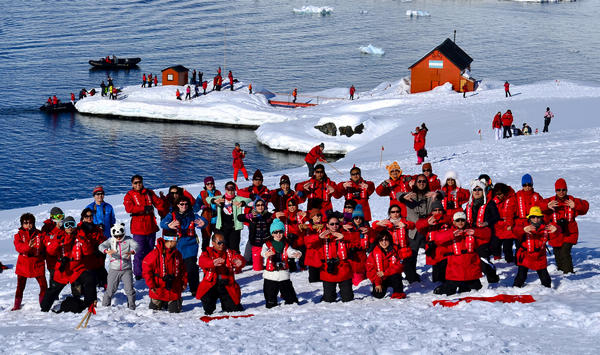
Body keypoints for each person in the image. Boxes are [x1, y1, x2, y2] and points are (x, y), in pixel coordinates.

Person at [41, 216, 97, 312]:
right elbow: (50, 251)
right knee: (53, 290)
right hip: (63, 270)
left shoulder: (80, 236)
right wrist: (57, 242)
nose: (70, 227)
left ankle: (89, 303)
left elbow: (88, 252)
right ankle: (44, 308)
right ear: (64, 227)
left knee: (89, 278)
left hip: (77, 269)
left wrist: (84, 241)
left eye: (72, 224)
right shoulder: (59, 236)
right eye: (67, 225)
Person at [160, 196, 207, 297]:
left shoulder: (192, 215)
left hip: (190, 245)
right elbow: (162, 223)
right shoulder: (172, 215)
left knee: (191, 267)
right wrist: (169, 225)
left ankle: (194, 288)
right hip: (177, 245)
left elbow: (203, 221)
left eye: (186, 204)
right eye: (181, 204)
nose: (184, 206)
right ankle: (175, 288)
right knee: (176, 267)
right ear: (177, 205)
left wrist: (203, 223)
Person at [395, 174, 438, 282]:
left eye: (424, 181)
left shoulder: (430, 195)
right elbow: (398, 194)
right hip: (414, 229)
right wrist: (402, 196)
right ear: (415, 183)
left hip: (427, 228)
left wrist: (437, 194)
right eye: (419, 181)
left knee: (435, 252)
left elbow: (442, 193)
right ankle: (411, 277)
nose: (421, 183)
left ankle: (438, 276)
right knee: (411, 255)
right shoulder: (411, 195)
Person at [541, 178, 589, 273]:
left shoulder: (571, 200)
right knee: (557, 253)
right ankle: (561, 271)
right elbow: (536, 205)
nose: (561, 192)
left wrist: (576, 206)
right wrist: (546, 206)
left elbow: (586, 206)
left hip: (570, 232)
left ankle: (569, 273)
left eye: (563, 190)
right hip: (555, 233)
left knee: (564, 252)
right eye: (558, 190)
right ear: (555, 190)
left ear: (567, 190)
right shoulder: (551, 201)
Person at [305, 213, 356, 303]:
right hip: (328, 271)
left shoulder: (343, 233)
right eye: (332, 224)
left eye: (336, 224)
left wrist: (344, 237)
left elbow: (357, 242)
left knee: (348, 299)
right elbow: (307, 243)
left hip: (343, 270)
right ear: (327, 225)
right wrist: (318, 237)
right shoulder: (322, 235)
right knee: (328, 300)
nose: (334, 226)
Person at [432, 212, 484, 296]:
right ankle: (441, 288)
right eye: (457, 220)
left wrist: (475, 232)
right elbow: (438, 238)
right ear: (453, 222)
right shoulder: (450, 232)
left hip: (470, 270)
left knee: (476, 291)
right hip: (455, 271)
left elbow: (487, 235)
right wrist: (451, 235)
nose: (460, 222)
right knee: (449, 292)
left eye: (462, 220)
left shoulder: (471, 231)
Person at [123, 174, 164, 280]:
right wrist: (143, 208)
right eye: (135, 183)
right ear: (132, 184)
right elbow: (129, 208)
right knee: (139, 252)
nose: (138, 184)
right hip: (138, 228)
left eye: (139, 182)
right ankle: (138, 273)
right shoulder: (129, 195)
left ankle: (150, 270)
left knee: (150, 251)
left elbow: (159, 204)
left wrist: (163, 199)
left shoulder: (149, 193)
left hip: (150, 227)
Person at [196, 232, 245, 315]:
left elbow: (239, 258)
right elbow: (201, 261)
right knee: (208, 308)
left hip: (226, 284)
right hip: (211, 284)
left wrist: (240, 262)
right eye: (219, 243)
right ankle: (209, 306)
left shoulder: (229, 252)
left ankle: (229, 304)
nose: (222, 245)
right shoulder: (207, 252)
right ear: (213, 243)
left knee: (233, 309)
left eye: (223, 242)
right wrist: (212, 262)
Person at [464, 179, 500, 283]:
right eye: (474, 189)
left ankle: (493, 279)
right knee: (472, 260)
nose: (477, 192)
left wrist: (487, 222)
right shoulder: (468, 205)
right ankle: (474, 283)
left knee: (483, 260)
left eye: (479, 189)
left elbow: (496, 217)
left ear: (483, 191)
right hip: (471, 236)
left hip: (485, 236)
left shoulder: (490, 204)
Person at [512, 207, 558, 288]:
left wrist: (557, 229)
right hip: (525, 256)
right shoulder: (524, 225)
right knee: (521, 277)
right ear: (529, 217)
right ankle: (515, 290)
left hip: (540, 257)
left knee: (545, 279)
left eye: (538, 217)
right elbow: (515, 230)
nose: (536, 219)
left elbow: (557, 234)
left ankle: (549, 294)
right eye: (533, 217)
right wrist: (523, 229)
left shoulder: (547, 227)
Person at [261, 219, 302, 308]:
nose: (278, 234)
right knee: (270, 296)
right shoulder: (267, 244)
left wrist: (295, 253)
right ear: (272, 233)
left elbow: (290, 251)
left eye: (280, 232)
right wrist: (266, 254)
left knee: (290, 297)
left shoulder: (286, 244)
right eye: (275, 232)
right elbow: (263, 252)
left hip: (283, 274)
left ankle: (290, 301)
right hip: (270, 275)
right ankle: (271, 303)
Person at [142, 235, 186, 313]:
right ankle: (161, 302)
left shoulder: (177, 254)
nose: (177, 243)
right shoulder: (155, 253)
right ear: (171, 241)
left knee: (174, 311)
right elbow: (146, 270)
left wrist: (184, 282)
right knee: (153, 310)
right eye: (176, 241)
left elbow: (183, 270)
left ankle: (173, 302)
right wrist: (151, 285)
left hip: (173, 290)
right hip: (158, 289)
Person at [99, 223, 138, 309]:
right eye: (116, 236)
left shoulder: (128, 240)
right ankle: (105, 307)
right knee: (110, 290)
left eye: (120, 236)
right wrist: (106, 251)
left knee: (129, 290)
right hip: (114, 269)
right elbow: (101, 246)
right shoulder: (111, 240)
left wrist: (132, 251)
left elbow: (136, 245)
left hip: (126, 269)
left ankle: (132, 307)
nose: (118, 238)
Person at [12, 213, 47, 311]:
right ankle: (16, 305)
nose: (28, 225)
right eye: (26, 223)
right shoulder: (18, 235)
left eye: (31, 222)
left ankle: (43, 304)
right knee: (20, 287)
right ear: (22, 224)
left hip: (37, 263)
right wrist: (28, 246)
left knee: (43, 286)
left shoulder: (40, 234)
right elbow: (18, 248)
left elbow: (46, 246)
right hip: (23, 264)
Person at [206, 181, 252, 253]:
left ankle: (233, 261)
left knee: (234, 248)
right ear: (225, 189)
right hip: (221, 227)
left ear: (234, 190)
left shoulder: (237, 199)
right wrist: (214, 201)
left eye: (232, 189)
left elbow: (249, 200)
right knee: (221, 246)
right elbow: (207, 199)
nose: (230, 191)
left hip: (234, 228)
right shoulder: (220, 198)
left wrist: (242, 203)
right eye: (228, 189)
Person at [416, 200, 453, 283]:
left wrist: (441, 220)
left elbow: (453, 221)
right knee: (436, 279)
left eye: (439, 210)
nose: (437, 212)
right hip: (433, 252)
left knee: (445, 275)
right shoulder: (428, 220)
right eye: (435, 210)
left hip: (445, 251)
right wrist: (427, 223)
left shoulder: (447, 219)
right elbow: (418, 226)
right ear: (431, 211)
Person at [366, 231, 406, 299]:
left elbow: (400, 265)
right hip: (380, 278)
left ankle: (398, 292)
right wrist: (377, 283)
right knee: (378, 295)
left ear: (390, 240)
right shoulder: (373, 253)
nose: (384, 242)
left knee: (396, 275)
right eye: (381, 240)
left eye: (386, 239)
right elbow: (370, 270)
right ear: (378, 241)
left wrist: (385, 273)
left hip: (391, 276)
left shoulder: (396, 250)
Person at [237, 197, 274, 271]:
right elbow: (239, 217)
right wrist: (248, 216)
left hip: (267, 244)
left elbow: (275, 216)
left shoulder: (268, 215)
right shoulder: (252, 215)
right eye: (258, 205)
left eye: (262, 205)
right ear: (255, 206)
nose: (260, 207)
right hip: (255, 243)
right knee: (257, 268)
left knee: (270, 267)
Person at [343, 205, 374, 285]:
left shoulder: (366, 229)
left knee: (360, 280)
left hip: (362, 258)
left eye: (360, 218)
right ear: (353, 218)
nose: (358, 220)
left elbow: (374, 236)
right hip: (351, 258)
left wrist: (369, 231)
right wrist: (341, 226)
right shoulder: (347, 228)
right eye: (356, 218)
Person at [79, 208, 108, 290]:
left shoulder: (96, 228)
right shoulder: (79, 229)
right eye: (86, 216)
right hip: (85, 262)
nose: (89, 218)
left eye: (91, 216)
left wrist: (100, 248)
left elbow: (102, 240)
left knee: (106, 280)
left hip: (97, 260)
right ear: (83, 218)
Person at [275, 197, 307, 271]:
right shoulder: (284, 214)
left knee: (302, 255)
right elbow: (275, 217)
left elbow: (311, 216)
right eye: (289, 205)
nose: (291, 207)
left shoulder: (300, 213)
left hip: (299, 240)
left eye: (293, 205)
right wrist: (275, 215)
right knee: (290, 263)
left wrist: (307, 215)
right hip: (288, 240)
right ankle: (290, 265)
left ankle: (302, 265)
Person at [193, 176, 222, 251]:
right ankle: (205, 255)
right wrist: (201, 206)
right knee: (206, 239)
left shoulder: (218, 192)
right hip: (206, 220)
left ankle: (218, 254)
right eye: (208, 184)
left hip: (217, 220)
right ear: (205, 185)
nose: (210, 185)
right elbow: (196, 207)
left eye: (211, 183)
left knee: (218, 239)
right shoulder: (202, 194)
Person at [40, 207, 65, 283]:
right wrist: (57, 229)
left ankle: (77, 293)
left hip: (63, 255)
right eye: (58, 217)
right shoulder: (47, 227)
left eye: (62, 216)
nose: (60, 219)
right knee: (54, 277)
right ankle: (52, 294)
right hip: (52, 259)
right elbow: (45, 242)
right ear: (52, 217)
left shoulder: (64, 226)